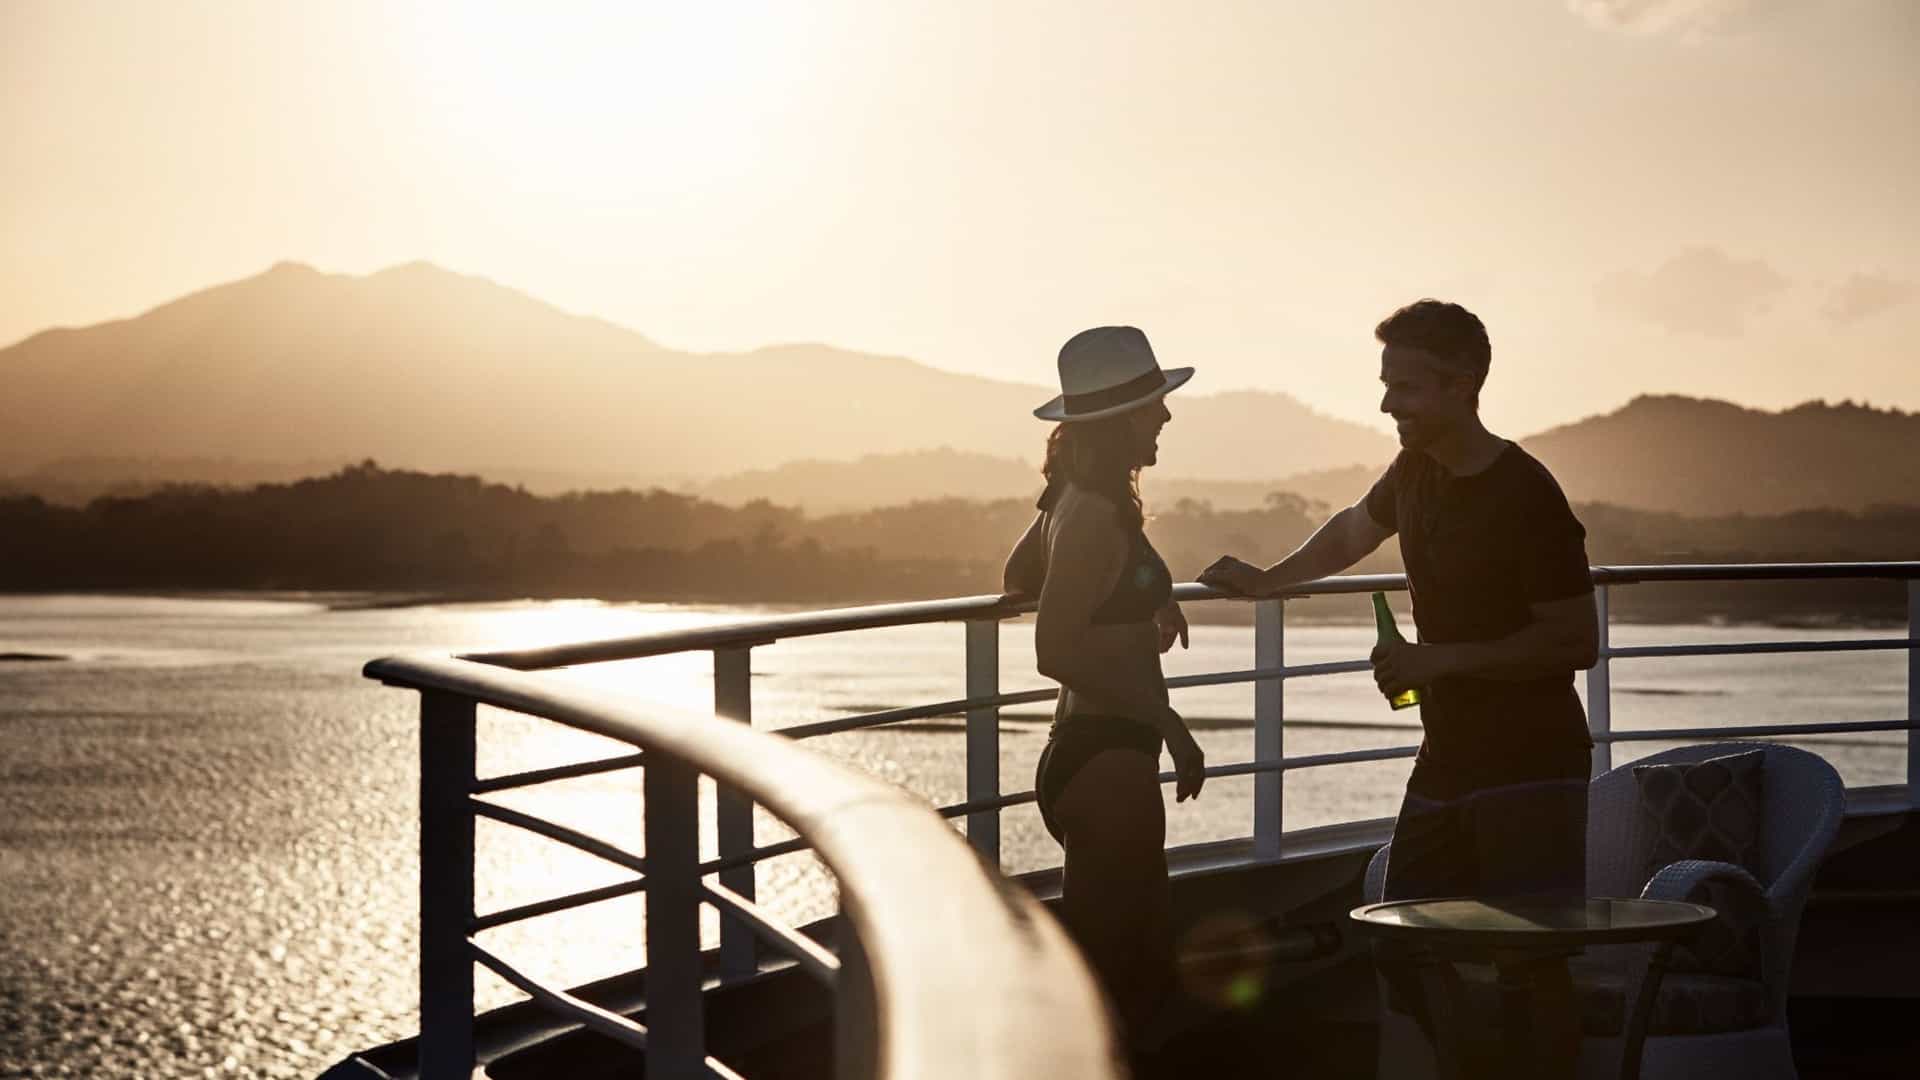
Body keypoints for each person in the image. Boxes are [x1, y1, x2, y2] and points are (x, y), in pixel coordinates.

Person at [1200, 299, 1598, 1073]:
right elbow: (1355, 526)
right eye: (1387, 385)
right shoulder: (1417, 470)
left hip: (1532, 767)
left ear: (1463, 385)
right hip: (1448, 758)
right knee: (1401, 939)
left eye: (1406, 388)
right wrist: (1269, 584)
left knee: (1533, 964)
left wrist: (1435, 662)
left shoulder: (1527, 494)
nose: (1387, 404)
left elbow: (1576, 641)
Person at [1002, 325, 1207, 1049]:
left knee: (1128, 963)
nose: (1166, 417)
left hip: (1086, 757)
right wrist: (1170, 722)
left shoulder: (1079, 502)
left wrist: (1149, 587)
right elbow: (1053, 649)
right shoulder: (1091, 513)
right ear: (1121, 419)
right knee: (1115, 985)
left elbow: (1019, 577)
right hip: (1111, 760)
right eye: (1153, 405)